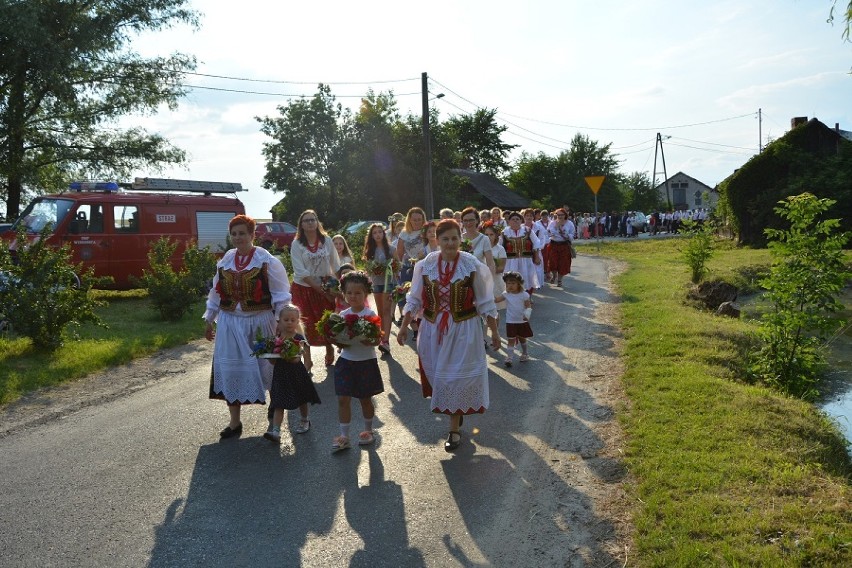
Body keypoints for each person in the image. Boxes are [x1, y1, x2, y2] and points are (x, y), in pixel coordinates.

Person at [396, 219, 501, 452]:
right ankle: (455, 411)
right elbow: (414, 299)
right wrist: (404, 327)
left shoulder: (471, 265)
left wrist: (494, 331)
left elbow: (485, 302)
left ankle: (453, 429)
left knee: (453, 378)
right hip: (433, 329)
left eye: (454, 238)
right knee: (439, 378)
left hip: (464, 330)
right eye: (445, 239)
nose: (450, 243)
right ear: (437, 240)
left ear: (460, 239)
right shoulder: (425, 265)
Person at [204, 214, 292, 438]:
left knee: (269, 369)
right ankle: (235, 423)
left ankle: (274, 415)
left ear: (253, 235)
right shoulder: (226, 259)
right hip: (230, 323)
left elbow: (281, 295)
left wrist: (282, 322)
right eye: (234, 234)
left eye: (242, 233)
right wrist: (209, 319)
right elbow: (215, 292)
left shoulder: (266, 260)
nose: (237, 238)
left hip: (261, 322)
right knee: (231, 370)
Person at [331, 271, 385, 451]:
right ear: (344, 294)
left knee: (365, 399)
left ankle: (368, 430)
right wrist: (336, 340)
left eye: (358, 293)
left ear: (366, 294)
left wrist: (368, 340)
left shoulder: (370, 315)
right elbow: (337, 339)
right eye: (349, 293)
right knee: (342, 399)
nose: (353, 296)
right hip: (346, 362)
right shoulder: (341, 315)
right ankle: (344, 435)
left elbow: (377, 341)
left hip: (365, 363)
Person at [290, 209, 341, 367]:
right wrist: (318, 288)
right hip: (303, 288)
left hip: (326, 285)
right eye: (306, 220)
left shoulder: (326, 240)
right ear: (301, 225)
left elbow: (335, 263)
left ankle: (329, 348)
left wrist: (340, 286)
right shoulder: (297, 244)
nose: (310, 223)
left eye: (313, 219)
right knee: (305, 323)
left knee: (325, 320)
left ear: (317, 222)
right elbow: (300, 271)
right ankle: (307, 358)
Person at [264, 304, 320, 443]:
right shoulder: (276, 339)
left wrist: (290, 356)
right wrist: (269, 355)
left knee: (301, 398)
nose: (289, 322)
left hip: (296, 372)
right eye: (286, 320)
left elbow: (298, 359)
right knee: (279, 401)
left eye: (293, 320)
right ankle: (276, 431)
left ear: (297, 321)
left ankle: (305, 420)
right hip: (281, 373)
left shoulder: (299, 338)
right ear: (280, 321)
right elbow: (273, 363)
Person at [395, 207, 427, 340]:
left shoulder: (426, 231)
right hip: (408, 268)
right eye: (414, 220)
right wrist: (397, 268)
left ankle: (424, 325)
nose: (417, 222)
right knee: (406, 297)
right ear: (409, 220)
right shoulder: (404, 233)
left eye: (420, 219)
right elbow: (399, 252)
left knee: (424, 298)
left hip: (425, 268)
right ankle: (414, 328)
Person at [363, 223, 394, 355]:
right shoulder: (369, 251)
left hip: (389, 283)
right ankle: (383, 338)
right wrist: (373, 270)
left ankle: (385, 341)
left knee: (387, 311)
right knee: (380, 312)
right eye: (375, 233)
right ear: (371, 235)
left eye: (380, 232)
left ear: (384, 233)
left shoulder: (391, 249)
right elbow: (367, 269)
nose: (377, 235)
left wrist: (390, 268)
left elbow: (397, 264)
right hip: (377, 283)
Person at [495, 272, 533, 367]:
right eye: (508, 283)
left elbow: (528, 306)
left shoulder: (524, 295)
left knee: (522, 339)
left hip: (521, 321)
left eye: (513, 283)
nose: (510, 285)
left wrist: (527, 314)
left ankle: (525, 353)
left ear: (519, 284)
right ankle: (510, 358)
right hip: (510, 321)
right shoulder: (506, 294)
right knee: (510, 339)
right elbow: (496, 300)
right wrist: (486, 296)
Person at [502, 211, 541, 296]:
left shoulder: (527, 230)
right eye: (513, 219)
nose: (515, 221)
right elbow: (499, 247)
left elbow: (536, 242)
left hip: (526, 260)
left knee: (527, 277)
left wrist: (537, 256)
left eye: (517, 219)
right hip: (510, 261)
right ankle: (513, 298)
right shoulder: (504, 232)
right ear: (508, 221)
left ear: (521, 221)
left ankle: (527, 297)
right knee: (512, 279)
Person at [460, 206, 495, 273]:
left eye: (471, 220)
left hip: (479, 276)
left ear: (477, 220)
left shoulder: (484, 239)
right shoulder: (458, 238)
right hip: (462, 278)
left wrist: (491, 280)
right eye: (465, 220)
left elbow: (490, 263)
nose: (468, 223)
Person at [546, 208, 574, 286]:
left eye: (562, 215)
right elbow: (549, 233)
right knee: (553, 262)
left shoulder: (569, 224)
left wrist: (566, 235)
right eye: (558, 215)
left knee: (563, 263)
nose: (560, 216)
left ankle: (560, 279)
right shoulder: (552, 223)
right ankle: (554, 275)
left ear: (565, 215)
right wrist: (556, 226)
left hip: (564, 245)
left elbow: (572, 235)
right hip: (554, 244)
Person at [482, 221, 507, 311]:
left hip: (495, 281)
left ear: (496, 235)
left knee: (494, 310)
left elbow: (501, 268)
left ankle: (493, 325)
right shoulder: (480, 247)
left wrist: (488, 270)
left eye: (491, 234)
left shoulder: (500, 249)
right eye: (486, 234)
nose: (488, 237)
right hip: (481, 280)